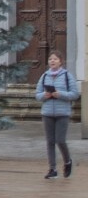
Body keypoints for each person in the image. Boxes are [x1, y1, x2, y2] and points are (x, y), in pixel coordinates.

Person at [35, 51, 79, 180]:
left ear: (60, 61)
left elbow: (74, 94)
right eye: (50, 59)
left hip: (62, 113)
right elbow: (37, 95)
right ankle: (52, 169)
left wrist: (60, 94)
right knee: (50, 141)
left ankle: (67, 161)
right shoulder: (44, 76)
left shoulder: (67, 76)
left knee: (60, 140)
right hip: (47, 112)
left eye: (55, 59)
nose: (52, 61)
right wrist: (44, 95)